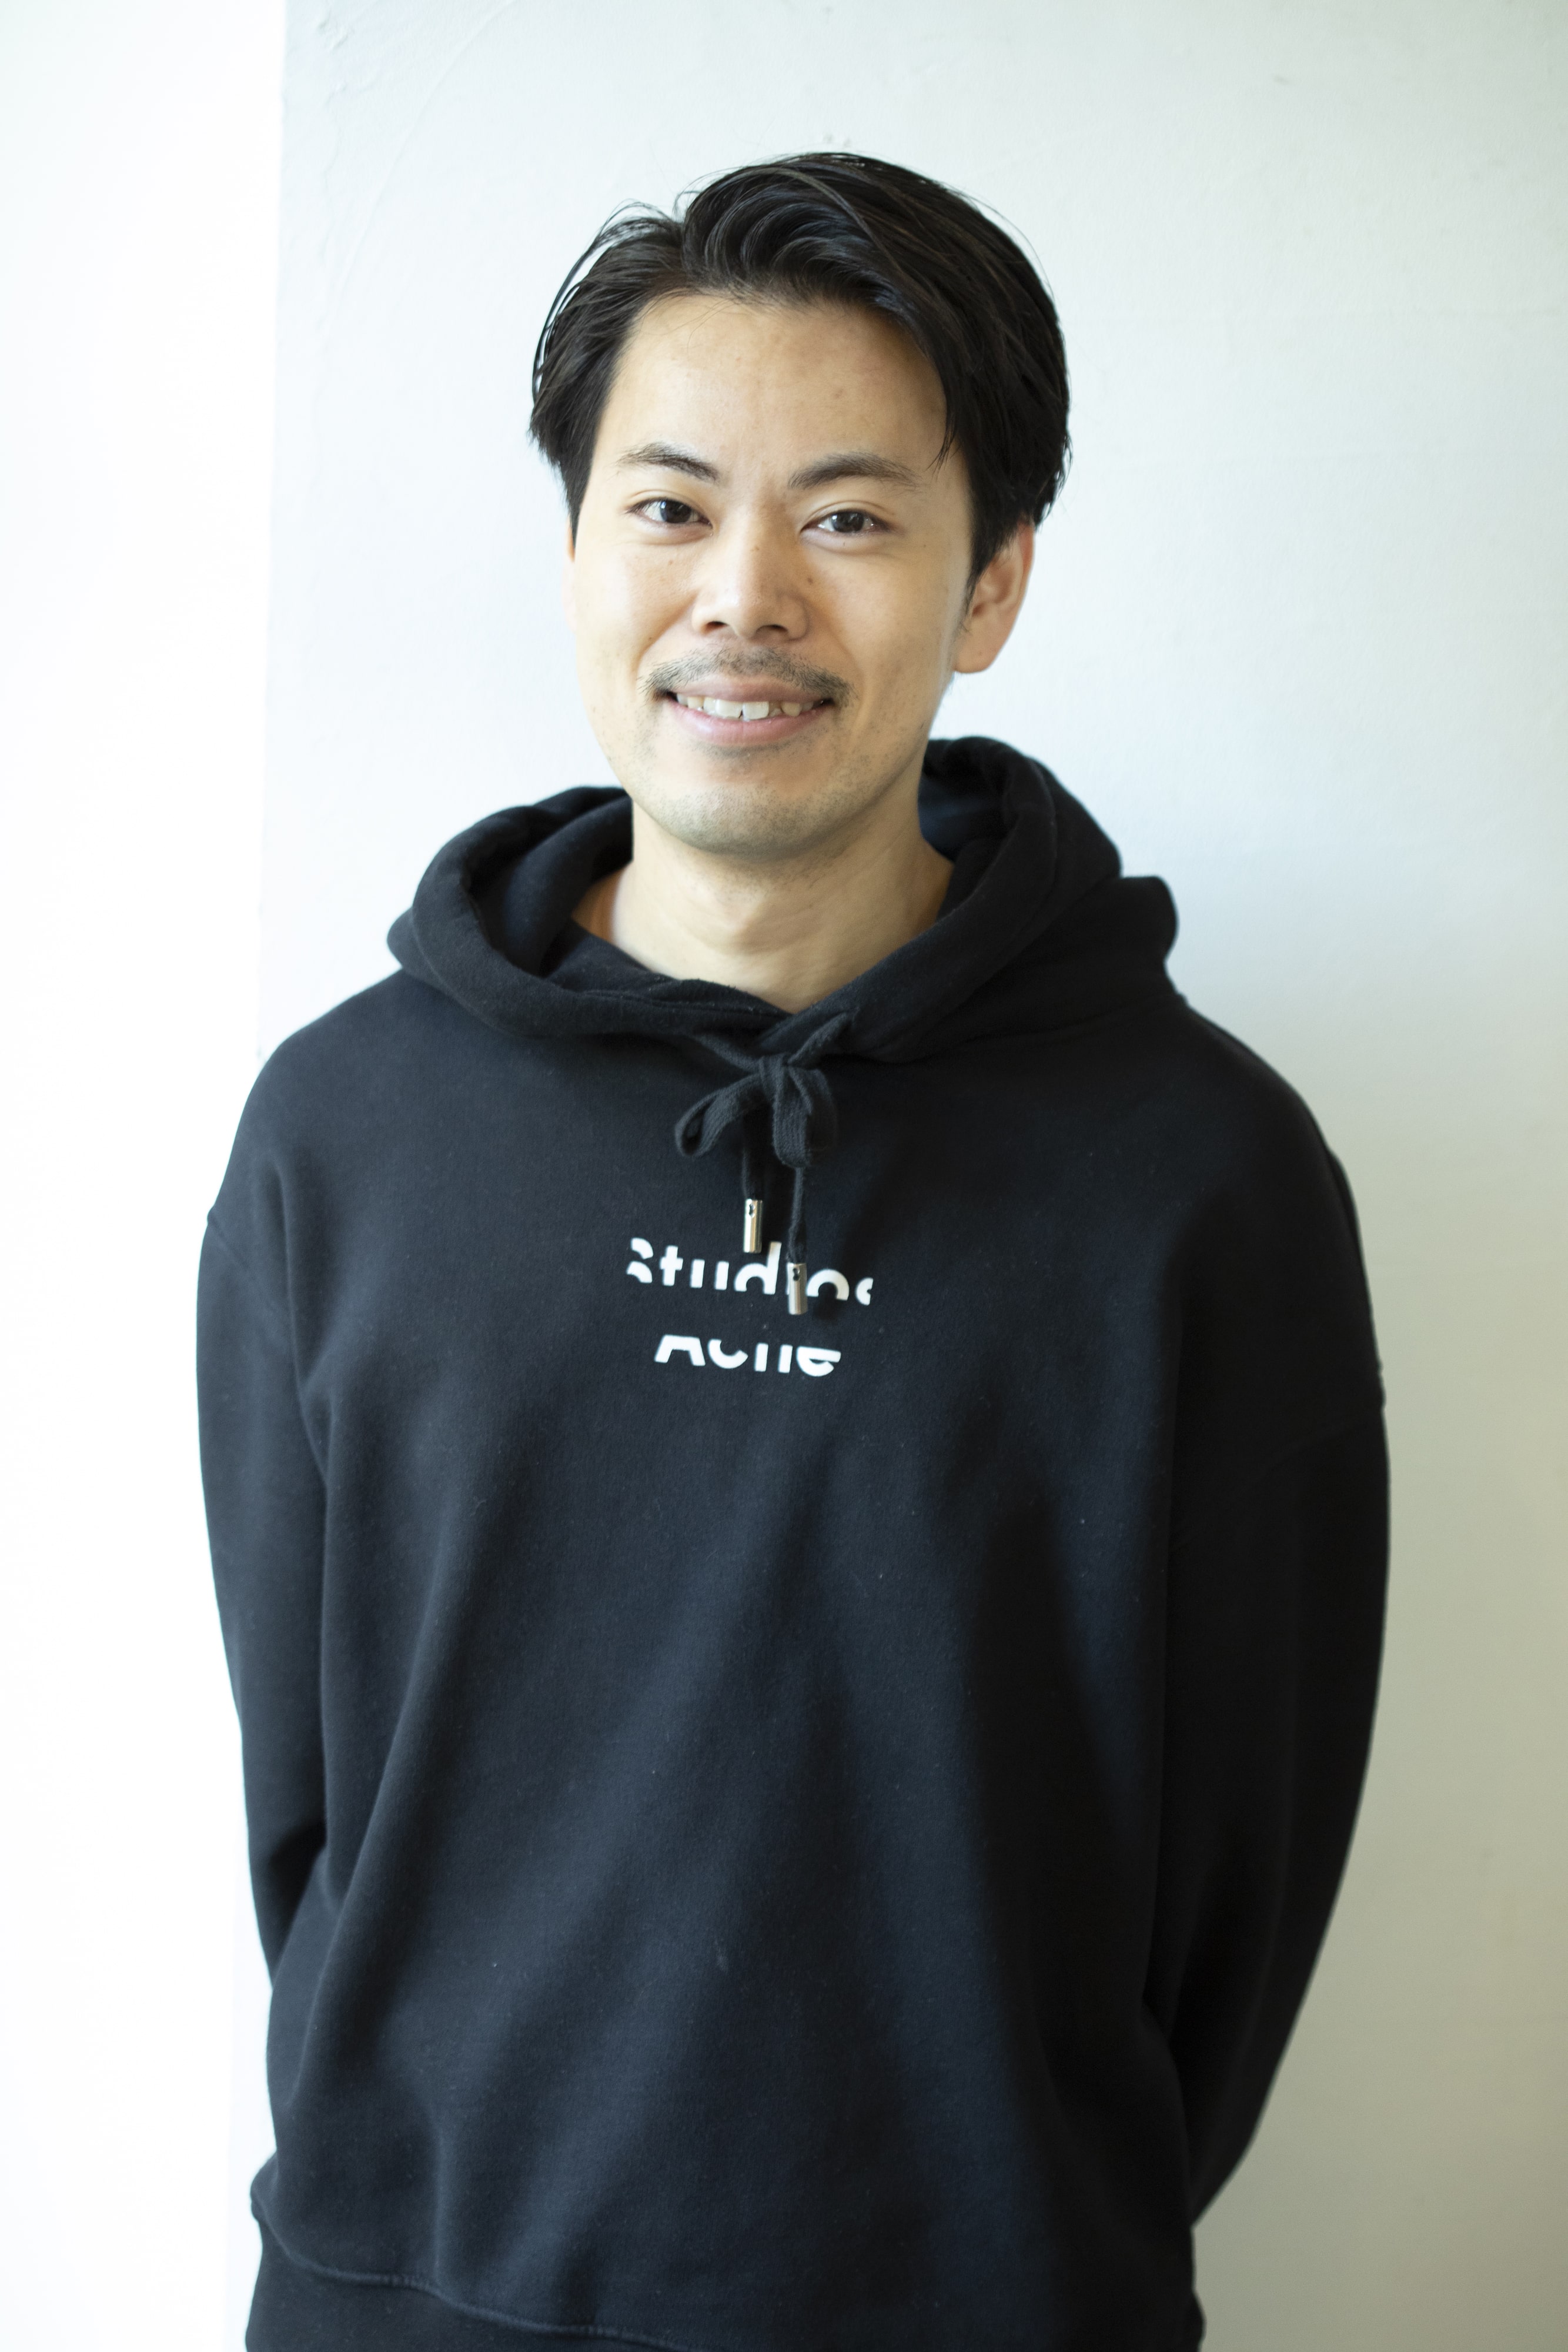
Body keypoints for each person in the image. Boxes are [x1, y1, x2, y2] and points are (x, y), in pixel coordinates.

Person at [199, 153, 1388, 2352]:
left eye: (846, 518)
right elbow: (312, 1803)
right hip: (407, 2301)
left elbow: (1242, 1876)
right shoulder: (348, 1133)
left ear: (990, 579)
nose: (741, 596)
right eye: (667, 507)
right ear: (576, 550)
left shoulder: (1200, 1179)